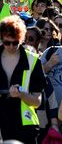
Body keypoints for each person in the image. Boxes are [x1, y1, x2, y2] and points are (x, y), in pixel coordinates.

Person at [0, 15, 47, 143]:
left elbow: (37, 102)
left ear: (21, 39)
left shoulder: (32, 60)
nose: (10, 46)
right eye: (6, 42)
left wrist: (21, 94)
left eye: (15, 43)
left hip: (24, 126)